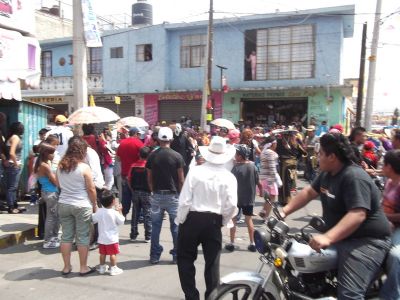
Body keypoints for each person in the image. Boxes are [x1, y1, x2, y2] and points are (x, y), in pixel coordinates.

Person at [281, 133, 392, 299]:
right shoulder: (327, 174)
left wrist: (328, 237)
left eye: (320, 153)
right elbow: (308, 192)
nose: (317, 157)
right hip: (341, 237)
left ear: (332, 156)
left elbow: (357, 214)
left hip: (365, 242)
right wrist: (284, 211)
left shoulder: (353, 176)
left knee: (349, 294)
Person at [176, 136, 238, 300]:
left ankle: (191, 296)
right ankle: (212, 297)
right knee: (212, 263)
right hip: (214, 220)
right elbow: (231, 205)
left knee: (185, 259)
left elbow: (184, 200)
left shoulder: (196, 171)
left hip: (192, 218)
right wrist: (222, 221)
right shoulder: (229, 177)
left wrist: (181, 220)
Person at [56, 136, 98, 276]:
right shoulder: (84, 168)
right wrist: (94, 204)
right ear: (82, 151)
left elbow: (58, 184)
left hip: (64, 203)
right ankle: (83, 267)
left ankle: (66, 267)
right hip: (81, 205)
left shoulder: (61, 166)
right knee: (82, 237)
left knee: (66, 236)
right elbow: (91, 189)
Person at [146, 127, 185, 264]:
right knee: (175, 227)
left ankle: (154, 256)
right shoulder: (177, 156)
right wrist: (181, 195)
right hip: (173, 196)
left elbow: (149, 178)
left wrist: (152, 191)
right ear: (171, 139)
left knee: (155, 227)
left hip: (156, 195)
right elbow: (181, 179)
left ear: (158, 140)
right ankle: (176, 256)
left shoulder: (152, 156)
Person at [225, 144, 262, 253]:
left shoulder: (235, 168)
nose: (234, 156)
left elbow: (230, 182)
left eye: (236, 154)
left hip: (236, 198)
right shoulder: (253, 166)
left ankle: (232, 243)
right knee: (249, 220)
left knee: (234, 220)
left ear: (240, 156)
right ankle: (252, 243)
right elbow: (258, 182)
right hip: (249, 198)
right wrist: (261, 191)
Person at [379, 150, 400, 300]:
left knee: (394, 255)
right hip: (385, 224)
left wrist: (385, 217)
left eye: (383, 163)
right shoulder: (388, 182)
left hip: (397, 227)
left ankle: (391, 295)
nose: (381, 165)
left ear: (390, 167)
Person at [92, 191, 125, 276]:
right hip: (112, 239)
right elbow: (121, 221)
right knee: (112, 254)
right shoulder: (114, 212)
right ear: (113, 201)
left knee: (102, 254)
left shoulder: (100, 211)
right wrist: (120, 211)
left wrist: (95, 208)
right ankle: (113, 268)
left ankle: (102, 267)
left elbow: (93, 219)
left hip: (102, 238)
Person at [34, 143, 60, 249]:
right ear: (46, 154)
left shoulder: (40, 163)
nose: (53, 155)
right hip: (51, 193)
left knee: (53, 216)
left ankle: (53, 237)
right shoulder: (45, 166)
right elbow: (55, 182)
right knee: (51, 217)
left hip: (46, 192)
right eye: (51, 153)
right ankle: (48, 240)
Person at [116, 127, 144, 218]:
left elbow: (118, 158)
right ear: (135, 134)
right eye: (139, 134)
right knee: (137, 195)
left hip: (125, 173)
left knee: (125, 195)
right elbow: (143, 157)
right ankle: (137, 215)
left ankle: (124, 213)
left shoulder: (122, 143)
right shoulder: (139, 143)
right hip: (137, 173)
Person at [128, 146, 152, 242]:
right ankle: (148, 235)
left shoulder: (133, 166)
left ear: (139, 155)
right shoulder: (149, 167)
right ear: (149, 155)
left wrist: (132, 190)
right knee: (147, 214)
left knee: (135, 214)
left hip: (135, 192)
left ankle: (133, 234)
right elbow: (151, 180)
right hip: (146, 192)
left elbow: (129, 179)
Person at [4, 122, 24, 214]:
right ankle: (11, 207)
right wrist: (16, 163)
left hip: (10, 165)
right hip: (13, 165)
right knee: (12, 188)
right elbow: (12, 153)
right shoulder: (15, 137)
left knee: (11, 187)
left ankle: (14, 205)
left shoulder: (11, 137)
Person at [258, 135, 281, 218]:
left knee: (268, 198)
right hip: (269, 179)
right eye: (276, 143)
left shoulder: (264, 151)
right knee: (272, 198)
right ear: (273, 144)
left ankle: (263, 211)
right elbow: (272, 167)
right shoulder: (270, 153)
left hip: (264, 178)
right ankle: (266, 216)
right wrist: (275, 180)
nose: (277, 145)